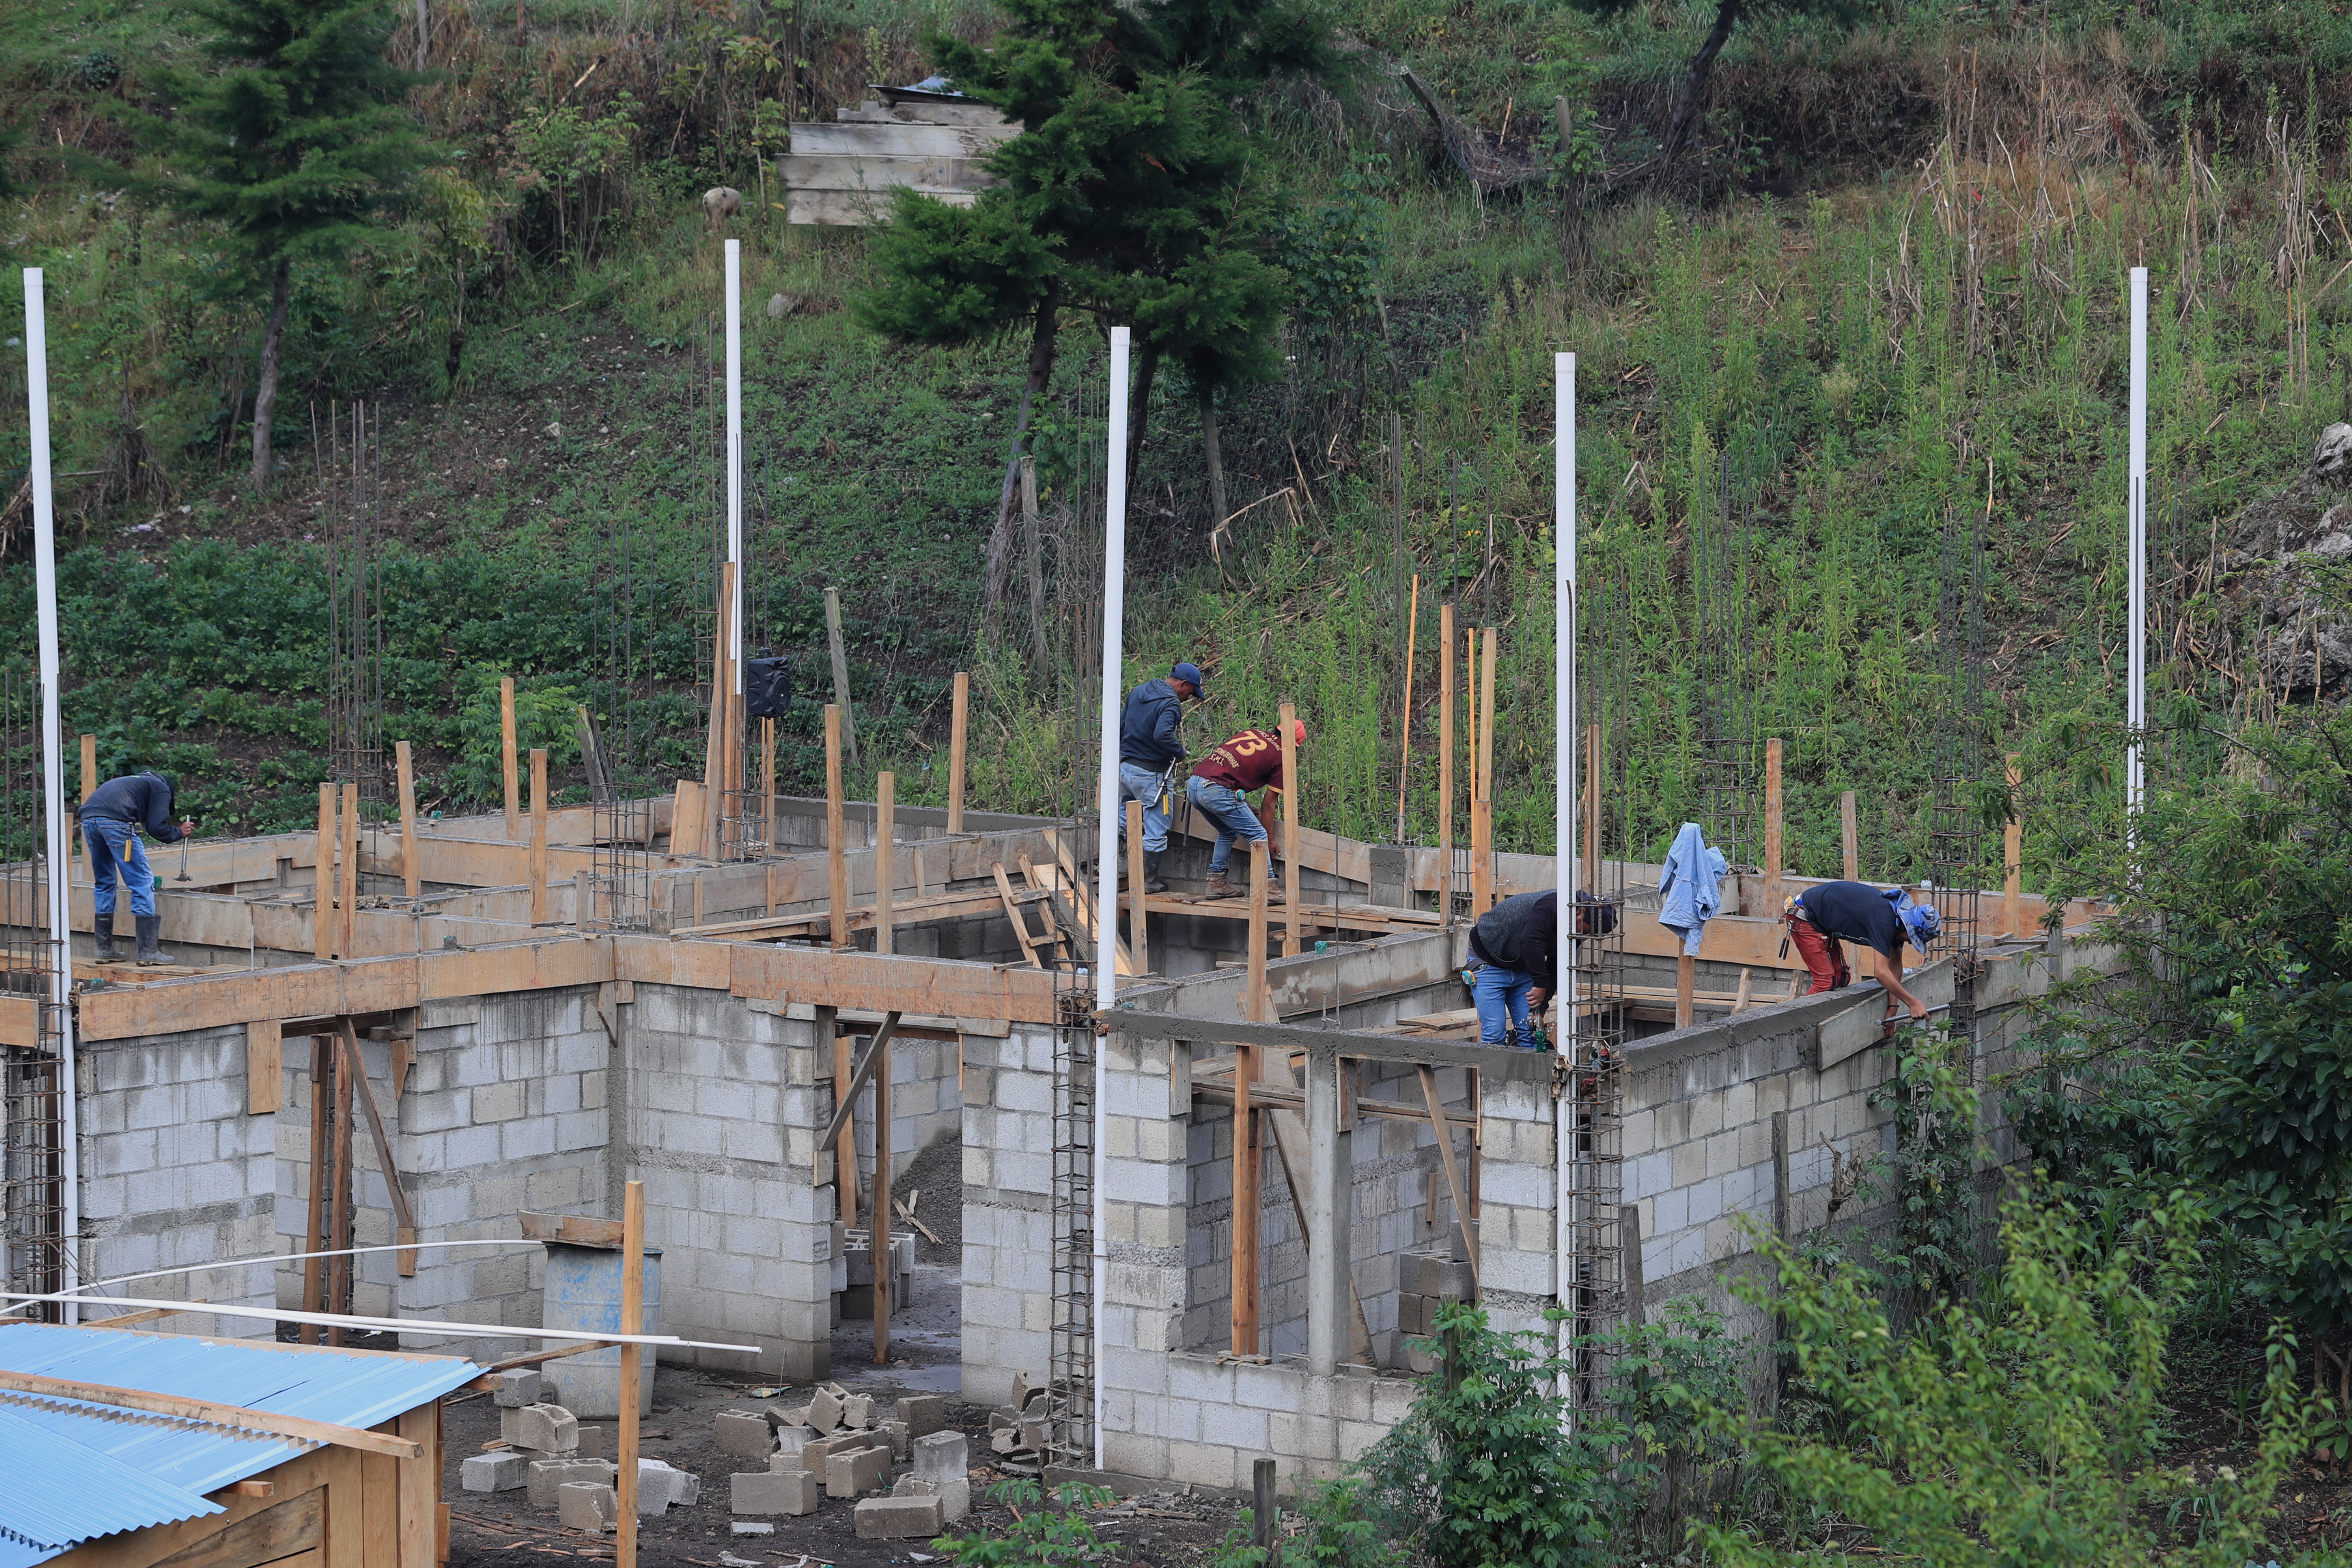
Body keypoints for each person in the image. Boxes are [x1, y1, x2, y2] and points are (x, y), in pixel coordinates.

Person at [1784, 880, 1939, 1035]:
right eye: (1912, 938)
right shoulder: (1884, 920)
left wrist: (1893, 1010)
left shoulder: (1898, 919)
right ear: (1909, 927)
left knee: (1842, 978)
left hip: (1822, 919)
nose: (1911, 943)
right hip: (1804, 915)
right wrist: (1913, 1003)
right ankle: (1792, 1026)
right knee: (1825, 982)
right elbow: (1881, 972)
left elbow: (1895, 967)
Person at [80, 769, 189, 965]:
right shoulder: (161, 787)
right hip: (117, 823)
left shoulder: (130, 782)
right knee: (142, 882)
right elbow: (156, 828)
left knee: (105, 881)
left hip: (89, 821)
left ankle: (104, 950)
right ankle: (148, 952)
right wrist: (179, 832)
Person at [1186, 719, 1304, 900]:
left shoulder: (1255, 733)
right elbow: (1268, 805)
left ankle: (1216, 882)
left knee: (1227, 831)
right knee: (1259, 835)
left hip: (1195, 785)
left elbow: (1230, 768)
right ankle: (1269, 888)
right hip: (1218, 790)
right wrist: (1270, 838)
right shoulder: (1283, 757)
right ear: (1296, 745)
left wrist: (1241, 806)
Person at [1117, 662, 1204, 893]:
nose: (1189, 698)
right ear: (1183, 685)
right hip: (1152, 776)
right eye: (1191, 692)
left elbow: (1122, 727)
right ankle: (1146, 881)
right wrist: (1179, 752)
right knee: (1157, 826)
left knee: (1123, 818)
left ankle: (1112, 868)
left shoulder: (1138, 691)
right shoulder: (1171, 702)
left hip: (1126, 770)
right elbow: (1162, 734)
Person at [1466, 888, 1558, 1049]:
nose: (1585, 935)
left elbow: (1555, 967)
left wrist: (1540, 1009)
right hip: (1488, 962)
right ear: (1580, 912)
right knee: (1494, 1033)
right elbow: (1530, 939)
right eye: (1586, 930)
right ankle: (1493, 1074)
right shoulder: (1551, 909)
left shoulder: (1575, 929)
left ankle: (1527, 1075)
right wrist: (1541, 983)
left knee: (1531, 1031)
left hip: (1522, 965)